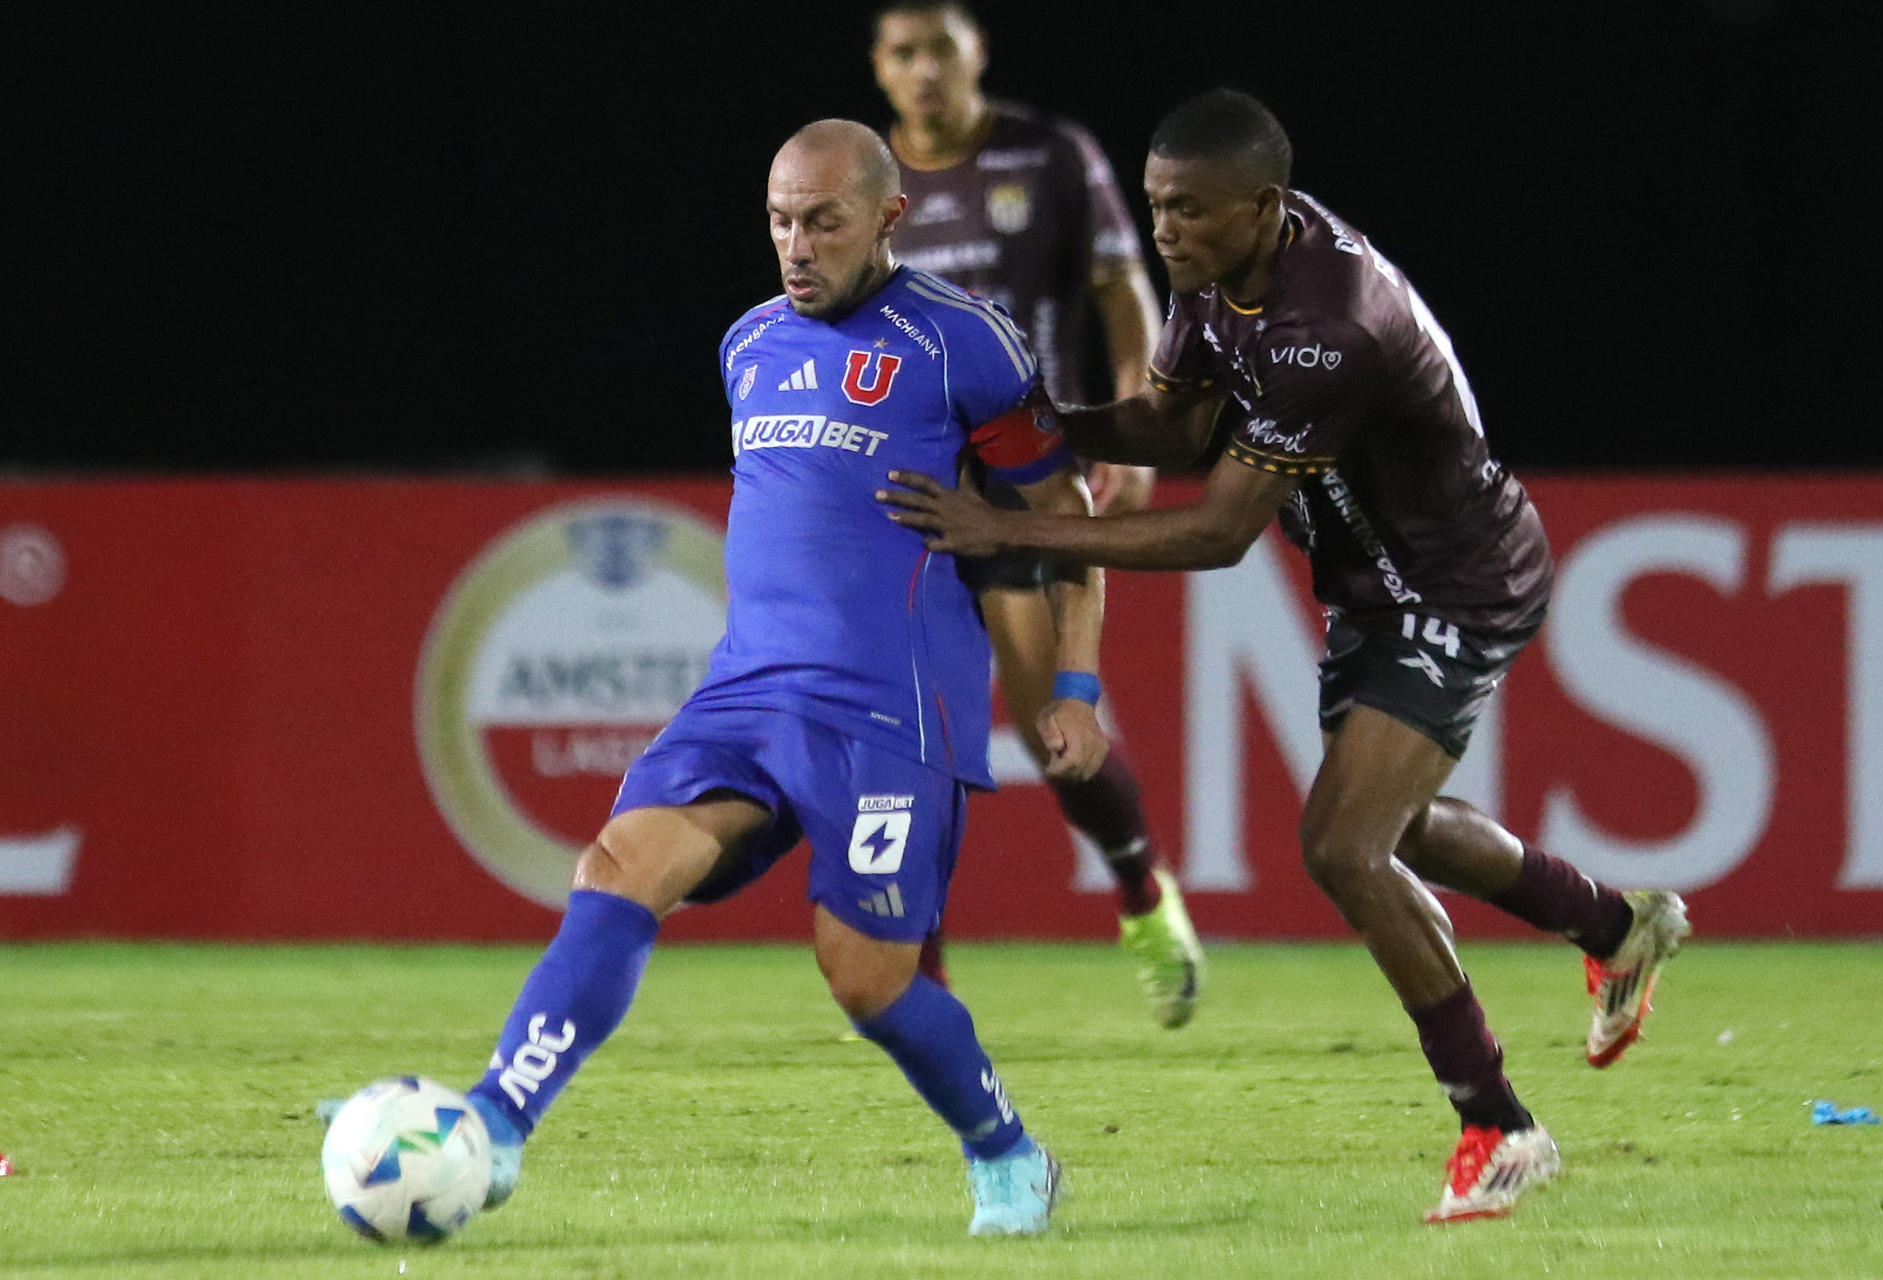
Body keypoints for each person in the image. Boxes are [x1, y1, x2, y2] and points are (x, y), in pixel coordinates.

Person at [878, 89, 1691, 1224]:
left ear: (1263, 206)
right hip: (1372, 586)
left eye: (1191, 212)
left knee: (1343, 847)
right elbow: (1169, 425)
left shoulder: (1330, 325)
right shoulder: (1215, 270)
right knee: (1395, 830)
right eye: (1157, 207)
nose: (1166, 232)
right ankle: (1614, 922)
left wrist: (1005, 524)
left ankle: (1499, 1123)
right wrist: (1024, 423)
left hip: (1459, 583)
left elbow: (1216, 532)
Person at [428, 120, 1103, 1237]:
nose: (797, 244)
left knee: (866, 979)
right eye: (782, 221)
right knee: (615, 866)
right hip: (746, 690)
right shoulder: (749, 342)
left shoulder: (961, 342)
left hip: (892, 707)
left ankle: (1010, 1151)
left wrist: (1069, 690)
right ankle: (493, 1127)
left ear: (889, 216)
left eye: (824, 221)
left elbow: (1067, 522)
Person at [869, 0, 1204, 1027]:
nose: (924, 70)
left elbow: (1118, 284)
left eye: (940, 49)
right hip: (907, 485)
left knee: (1052, 727)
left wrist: (1142, 416)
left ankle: (1142, 886)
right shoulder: (863, 180)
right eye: (902, 53)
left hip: (1027, 476)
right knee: (899, 729)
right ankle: (917, 961)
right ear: (879, 68)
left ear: (976, 52)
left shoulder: (1048, 155)